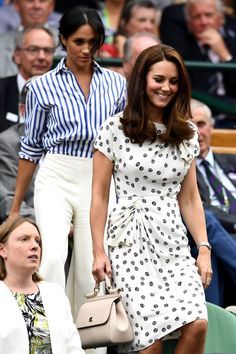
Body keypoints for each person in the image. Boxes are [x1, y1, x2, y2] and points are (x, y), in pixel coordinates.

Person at [90, 44, 212, 354]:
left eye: (173, 82)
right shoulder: (114, 129)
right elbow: (99, 196)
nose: (166, 88)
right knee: (151, 343)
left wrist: (203, 248)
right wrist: (98, 252)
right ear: (142, 80)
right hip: (129, 242)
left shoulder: (186, 132)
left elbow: (190, 198)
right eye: (159, 79)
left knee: (197, 323)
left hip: (172, 240)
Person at [10, 6, 126, 325]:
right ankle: (48, 336)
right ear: (63, 39)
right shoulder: (41, 86)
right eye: (78, 41)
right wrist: (17, 206)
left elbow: (124, 140)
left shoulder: (117, 85)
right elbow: (30, 147)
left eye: (93, 42)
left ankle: (88, 342)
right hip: (56, 173)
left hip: (99, 176)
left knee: (92, 270)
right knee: (51, 259)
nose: (86, 49)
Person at [0, 214, 84, 354]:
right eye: (24, 239)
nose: (34, 246)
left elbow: (73, 347)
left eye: (37, 241)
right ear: (2, 250)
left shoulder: (55, 294)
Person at [159, 0, 236, 127]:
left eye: (208, 15)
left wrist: (225, 55)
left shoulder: (232, 42)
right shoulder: (183, 49)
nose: (203, 22)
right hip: (198, 117)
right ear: (189, 23)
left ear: (220, 19)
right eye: (197, 16)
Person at [190, 98, 236, 235]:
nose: (196, 133)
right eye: (190, 126)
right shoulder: (183, 172)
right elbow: (202, 209)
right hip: (221, 232)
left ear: (211, 127)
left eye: (201, 124)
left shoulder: (233, 160)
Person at [0, 25, 55, 133]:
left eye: (47, 50)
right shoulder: (1, 92)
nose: (42, 57)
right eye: (33, 49)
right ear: (17, 56)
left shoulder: (65, 94)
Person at [0, 79, 37, 224]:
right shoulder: (7, 143)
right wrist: (54, 224)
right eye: (40, 109)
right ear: (23, 110)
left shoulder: (69, 144)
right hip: (31, 228)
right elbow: (6, 200)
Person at [0, 0, 58, 78]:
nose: (37, 6)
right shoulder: (1, 43)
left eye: (42, 1)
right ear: (17, 5)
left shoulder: (68, 41)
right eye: (30, 1)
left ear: (51, 6)